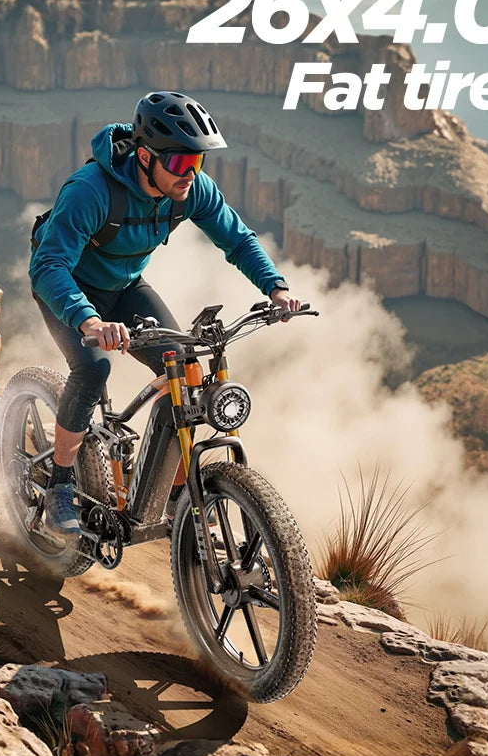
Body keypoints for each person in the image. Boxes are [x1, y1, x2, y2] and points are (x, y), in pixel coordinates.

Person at [29, 90, 302, 543]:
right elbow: (49, 267)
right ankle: (60, 481)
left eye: (197, 164)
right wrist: (90, 322)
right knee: (93, 368)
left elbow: (236, 239)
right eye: (179, 164)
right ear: (143, 156)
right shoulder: (91, 191)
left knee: (185, 369)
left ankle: (176, 498)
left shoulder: (189, 190)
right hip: (70, 289)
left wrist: (277, 287)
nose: (190, 176)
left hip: (124, 288)